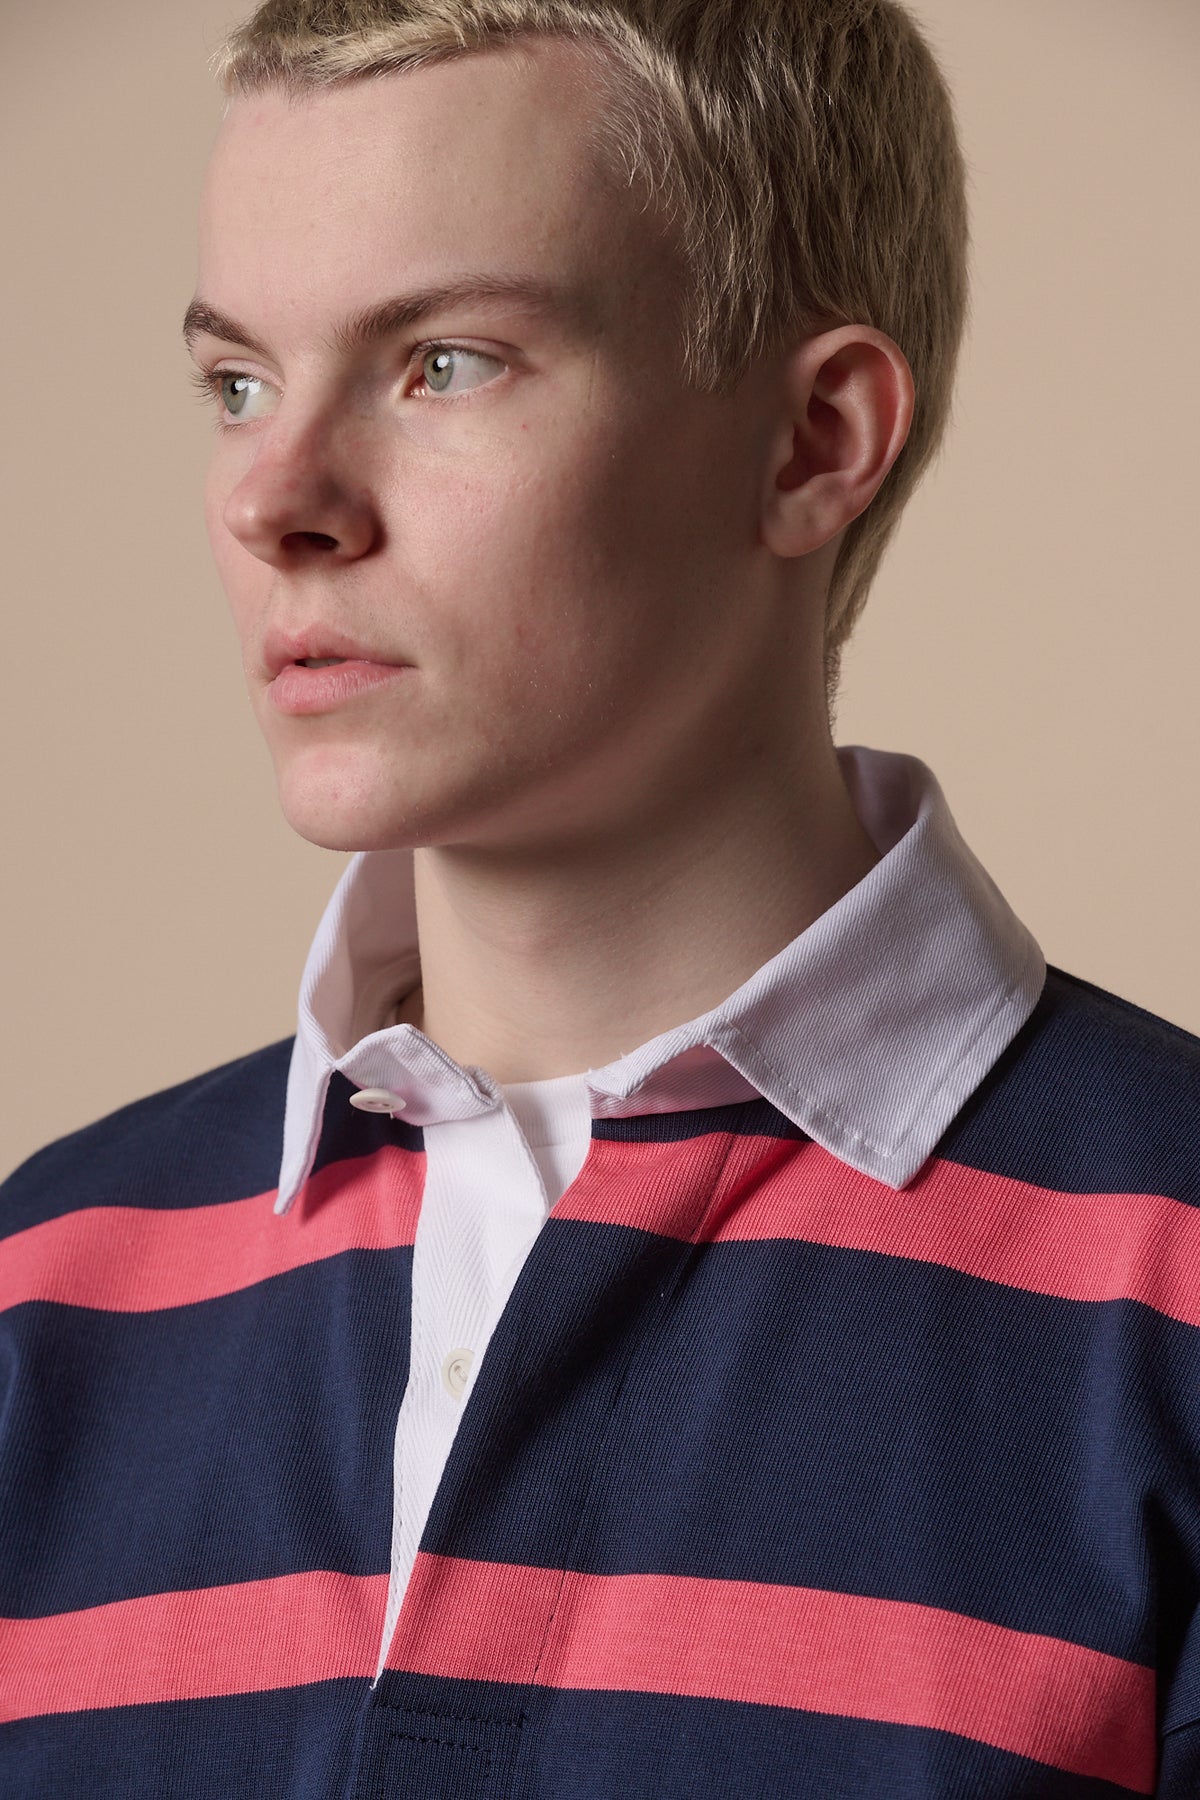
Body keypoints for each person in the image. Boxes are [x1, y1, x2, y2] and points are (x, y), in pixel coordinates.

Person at [2, 0, 1198, 1793]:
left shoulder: (1169, 1287)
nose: (276, 494)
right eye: (237, 381)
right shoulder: (46, 1296)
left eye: (445, 363)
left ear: (812, 443)